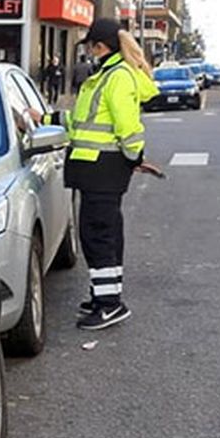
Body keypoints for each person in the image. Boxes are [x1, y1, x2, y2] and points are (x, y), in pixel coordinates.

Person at [65, 19, 158, 331]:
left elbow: (128, 126)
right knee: (106, 233)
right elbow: (84, 120)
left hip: (102, 170)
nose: (89, 52)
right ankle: (104, 296)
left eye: (90, 46)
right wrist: (45, 118)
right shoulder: (108, 75)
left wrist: (134, 156)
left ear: (99, 46)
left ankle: (110, 306)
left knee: (98, 236)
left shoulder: (116, 77)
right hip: (99, 169)